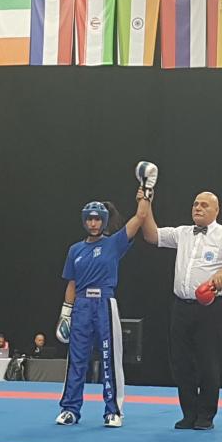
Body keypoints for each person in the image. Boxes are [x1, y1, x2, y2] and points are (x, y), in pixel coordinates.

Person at [141, 190, 222, 431]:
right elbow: (151, 235)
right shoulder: (182, 233)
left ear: (216, 211)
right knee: (181, 362)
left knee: (208, 361)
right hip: (181, 306)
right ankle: (188, 414)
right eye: (195, 204)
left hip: (210, 307)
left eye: (204, 205)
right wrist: (146, 202)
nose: (198, 208)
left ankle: (206, 415)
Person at [55, 184, 151, 429]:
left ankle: (113, 411)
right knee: (77, 359)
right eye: (89, 219)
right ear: (84, 221)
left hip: (105, 303)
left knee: (110, 358)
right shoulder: (75, 250)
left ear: (104, 221)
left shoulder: (114, 243)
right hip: (81, 305)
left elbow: (140, 217)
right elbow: (71, 283)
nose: (93, 223)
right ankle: (69, 409)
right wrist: (65, 314)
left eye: (97, 219)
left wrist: (146, 192)